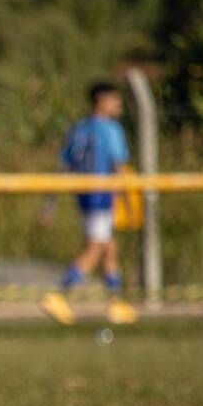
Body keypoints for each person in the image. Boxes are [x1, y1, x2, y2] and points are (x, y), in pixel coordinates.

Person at [40, 82, 138, 327]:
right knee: (97, 247)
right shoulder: (110, 129)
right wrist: (127, 200)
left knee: (109, 248)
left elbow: (62, 168)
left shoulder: (78, 128)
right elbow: (118, 166)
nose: (119, 105)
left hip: (83, 196)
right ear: (102, 100)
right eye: (115, 100)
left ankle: (116, 304)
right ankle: (59, 294)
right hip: (102, 195)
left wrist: (50, 205)